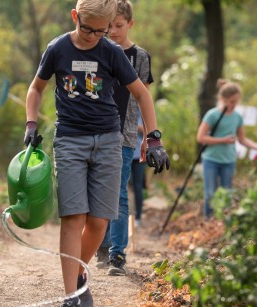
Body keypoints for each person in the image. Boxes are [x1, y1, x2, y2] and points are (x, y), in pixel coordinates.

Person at [24, 0, 170, 307]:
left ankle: (78, 273)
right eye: (87, 28)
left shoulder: (111, 51)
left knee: (100, 222)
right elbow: (36, 88)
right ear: (76, 17)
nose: (93, 36)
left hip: (108, 140)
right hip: (70, 140)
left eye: (101, 31)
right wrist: (31, 123)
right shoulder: (58, 48)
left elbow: (142, 94)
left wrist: (154, 138)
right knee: (73, 216)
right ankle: (69, 300)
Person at [96, 0, 154, 277]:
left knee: (118, 193)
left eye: (118, 26)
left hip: (127, 131)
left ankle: (118, 254)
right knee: (98, 190)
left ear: (130, 23)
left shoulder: (139, 56)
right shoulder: (98, 49)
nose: (113, 31)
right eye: (109, 26)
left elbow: (144, 99)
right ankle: (102, 245)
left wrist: (149, 137)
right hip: (97, 129)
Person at [196, 79, 257, 218]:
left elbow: (242, 139)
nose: (234, 105)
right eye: (231, 101)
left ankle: (223, 222)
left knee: (228, 193)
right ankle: (208, 221)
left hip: (228, 160)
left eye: (236, 101)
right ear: (222, 99)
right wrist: (223, 140)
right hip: (211, 159)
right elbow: (201, 137)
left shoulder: (237, 117)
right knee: (210, 193)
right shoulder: (213, 115)